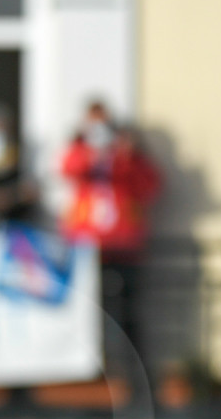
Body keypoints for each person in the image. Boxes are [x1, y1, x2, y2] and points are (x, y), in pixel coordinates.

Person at [60, 101, 162, 354]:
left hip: (123, 245)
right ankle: (92, 363)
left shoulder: (126, 155)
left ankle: (130, 366)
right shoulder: (80, 149)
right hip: (87, 245)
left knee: (127, 309)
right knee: (89, 310)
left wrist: (128, 155)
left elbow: (149, 187)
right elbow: (68, 169)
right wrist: (92, 153)